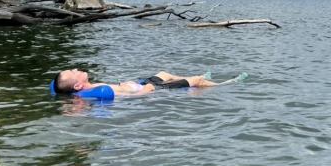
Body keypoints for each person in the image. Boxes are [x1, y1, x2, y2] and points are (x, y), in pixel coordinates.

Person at [54, 68, 246, 96]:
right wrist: (148, 88)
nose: (77, 69)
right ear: (77, 85)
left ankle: (198, 82)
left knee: (164, 73)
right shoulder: (101, 90)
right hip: (150, 90)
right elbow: (134, 95)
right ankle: (226, 84)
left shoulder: (87, 89)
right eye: (73, 72)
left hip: (139, 83)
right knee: (197, 80)